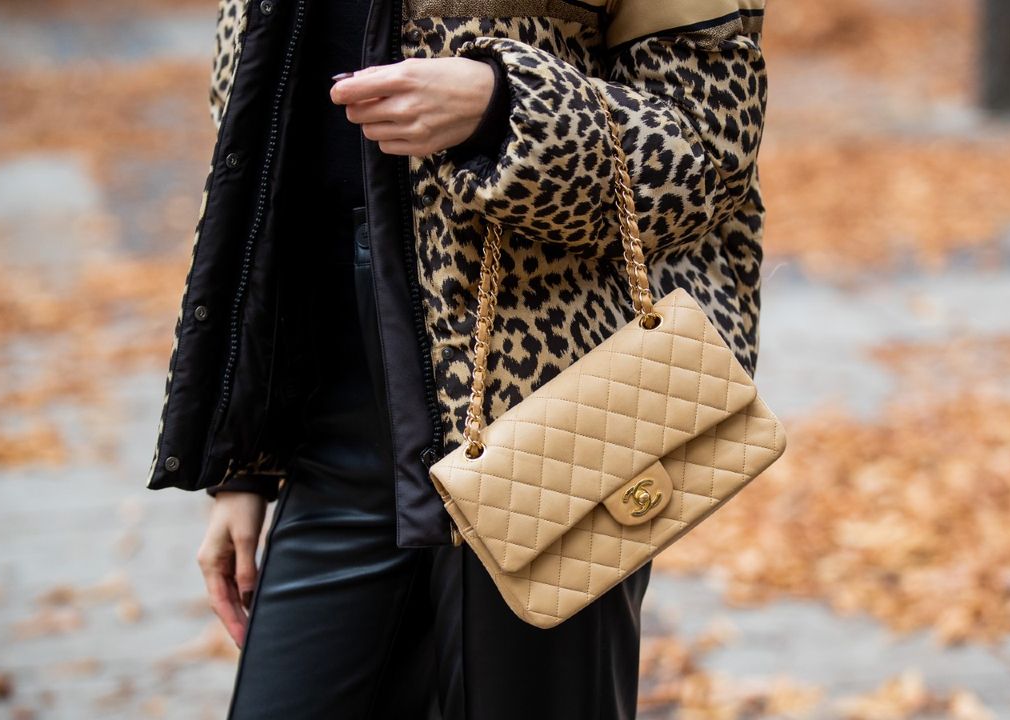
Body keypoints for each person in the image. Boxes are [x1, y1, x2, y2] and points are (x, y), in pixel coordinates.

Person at [144, 0, 770, 717]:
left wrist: (504, 109)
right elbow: (261, 154)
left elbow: (710, 159)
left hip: (551, 420)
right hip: (335, 421)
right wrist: (245, 461)